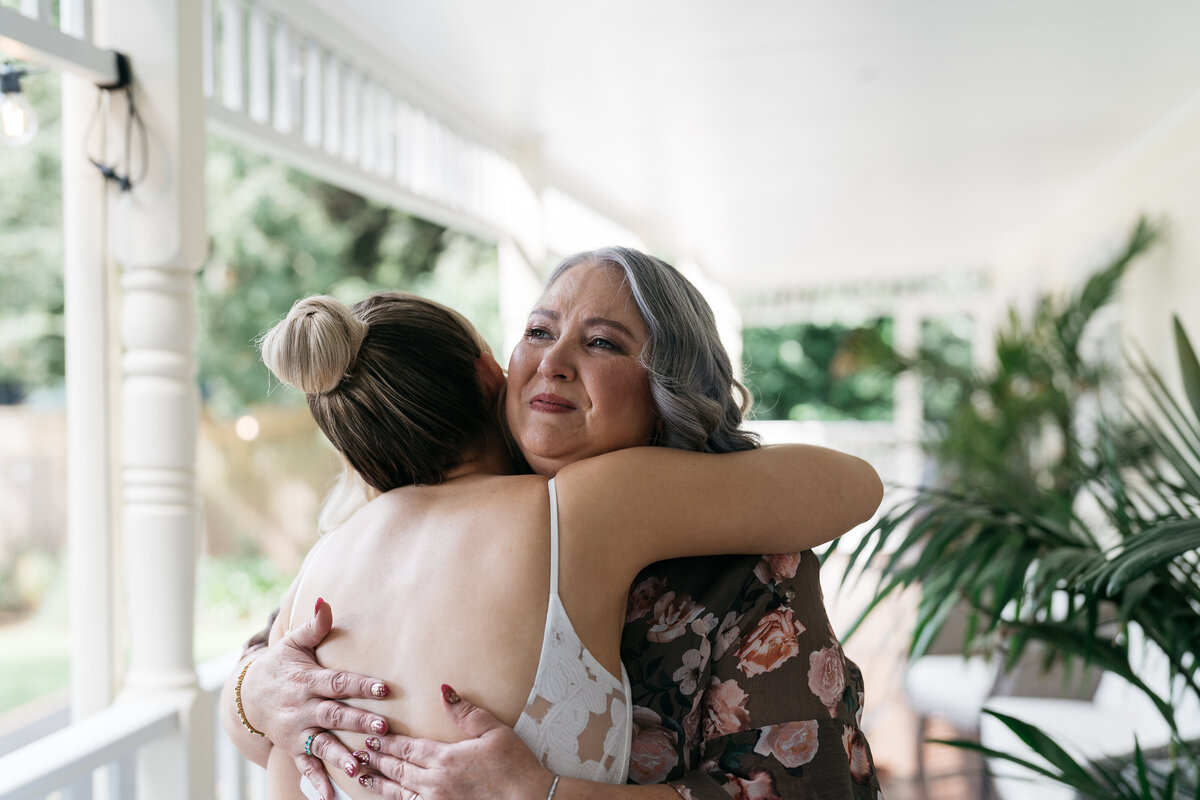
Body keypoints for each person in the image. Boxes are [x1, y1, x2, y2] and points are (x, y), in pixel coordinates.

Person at [224, 247, 886, 800]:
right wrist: (257, 691)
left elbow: (798, 785)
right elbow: (266, 709)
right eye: (538, 332)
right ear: (497, 371)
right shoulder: (378, 534)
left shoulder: (748, 563)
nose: (554, 360)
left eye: (601, 342)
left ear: (669, 391)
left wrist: (546, 793)